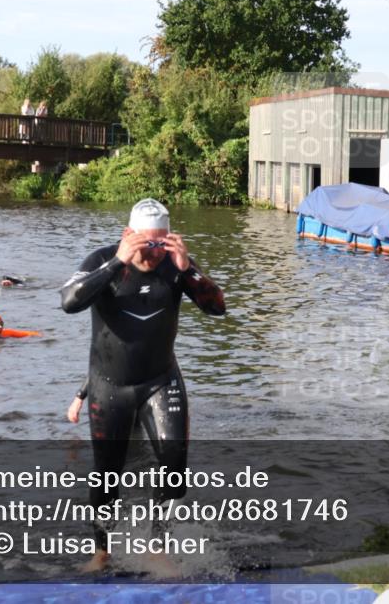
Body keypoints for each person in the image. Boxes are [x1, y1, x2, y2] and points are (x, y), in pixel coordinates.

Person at [60, 198, 225, 572]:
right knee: (108, 473)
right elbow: (69, 301)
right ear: (128, 235)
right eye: (145, 243)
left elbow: (218, 308)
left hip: (160, 379)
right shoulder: (102, 260)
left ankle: (158, 546)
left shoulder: (176, 266)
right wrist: (118, 260)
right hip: (109, 385)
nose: (153, 253)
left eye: (160, 243)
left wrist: (188, 272)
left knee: (174, 463)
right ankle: (101, 551)